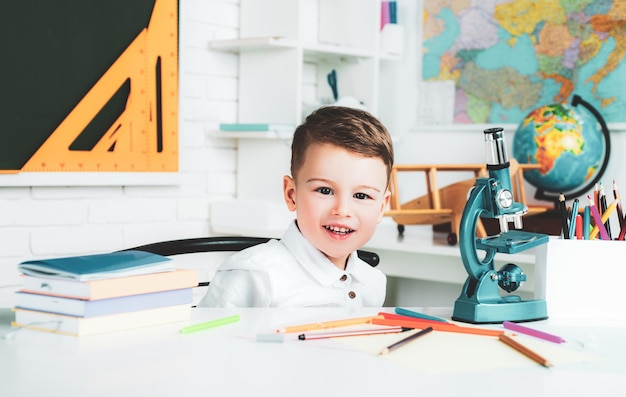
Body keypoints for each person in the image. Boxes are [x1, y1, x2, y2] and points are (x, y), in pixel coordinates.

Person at [199, 106, 394, 307]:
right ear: (291, 194)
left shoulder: (373, 283)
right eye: (325, 191)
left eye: (361, 195)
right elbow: (204, 338)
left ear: (382, 207)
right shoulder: (255, 276)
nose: (342, 210)